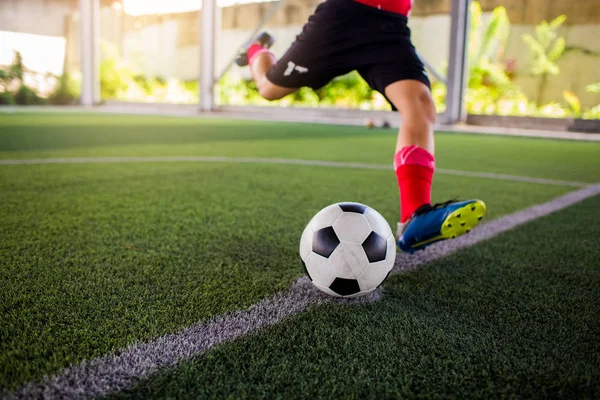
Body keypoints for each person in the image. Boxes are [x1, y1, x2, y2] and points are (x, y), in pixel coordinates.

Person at [235, 0, 486, 253]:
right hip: (342, 17)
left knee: (420, 105)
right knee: (269, 88)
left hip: (391, 25)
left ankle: (414, 216)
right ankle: (256, 50)